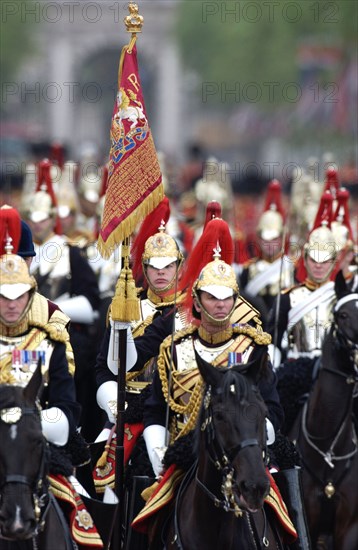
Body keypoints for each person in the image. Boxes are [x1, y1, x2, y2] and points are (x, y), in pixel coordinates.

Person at [130, 248, 302, 546]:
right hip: (185, 450)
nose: (220, 305)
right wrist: (159, 451)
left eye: (226, 298)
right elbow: (157, 411)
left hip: (247, 449)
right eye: (212, 297)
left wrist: (258, 437)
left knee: (285, 492)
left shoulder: (254, 347)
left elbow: (273, 408)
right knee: (146, 504)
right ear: (196, 301)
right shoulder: (173, 348)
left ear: (235, 301)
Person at [0, 233, 110, 547]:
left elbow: (66, 404)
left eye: (18, 295)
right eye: (3, 296)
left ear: (31, 294)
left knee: (85, 509)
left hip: (41, 445)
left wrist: (30, 425)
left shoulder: (51, 341)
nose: (11, 304)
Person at [22, 158, 102, 442]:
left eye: (42, 217)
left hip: (65, 337)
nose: (37, 223)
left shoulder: (70, 253)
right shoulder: (18, 256)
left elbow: (91, 304)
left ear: (52, 216)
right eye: (31, 217)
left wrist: (47, 307)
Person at [240, 179, 294, 319]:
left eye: (274, 239)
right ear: (258, 238)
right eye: (265, 239)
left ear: (282, 239)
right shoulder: (249, 269)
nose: (270, 244)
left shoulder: (292, 267)